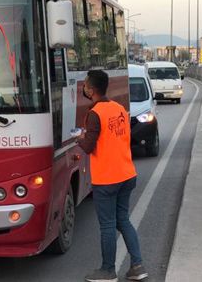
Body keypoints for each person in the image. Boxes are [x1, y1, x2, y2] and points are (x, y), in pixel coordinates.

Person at [78, 70, 148, 282]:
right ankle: (137, 266)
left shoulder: (94, 114)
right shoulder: (119, 109)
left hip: (107, 179)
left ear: (91, 89)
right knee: (123, 220)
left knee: (108, 225)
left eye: (85, 85)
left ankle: (108, 271)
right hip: (127, 174)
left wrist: (79, 138)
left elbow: (89, 146)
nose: (84, 88)